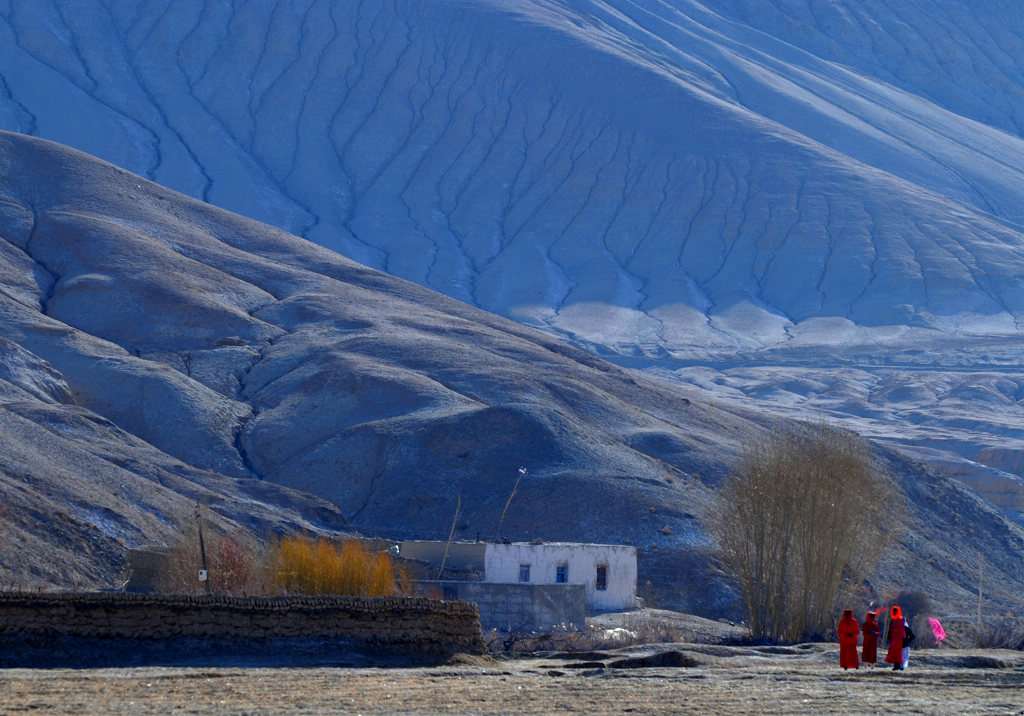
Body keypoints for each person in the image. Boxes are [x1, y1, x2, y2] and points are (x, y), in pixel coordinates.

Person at [885, 605, 906, 670]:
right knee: (894, 652)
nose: (894, 613)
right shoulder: (893, 620)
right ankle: (898, 665)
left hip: (898, 639)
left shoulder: (900, 619)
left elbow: (901, 629)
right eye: (893, 611)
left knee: (897, 652)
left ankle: (897, 665)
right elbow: (890, 629)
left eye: (895, 612)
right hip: (894, 638)